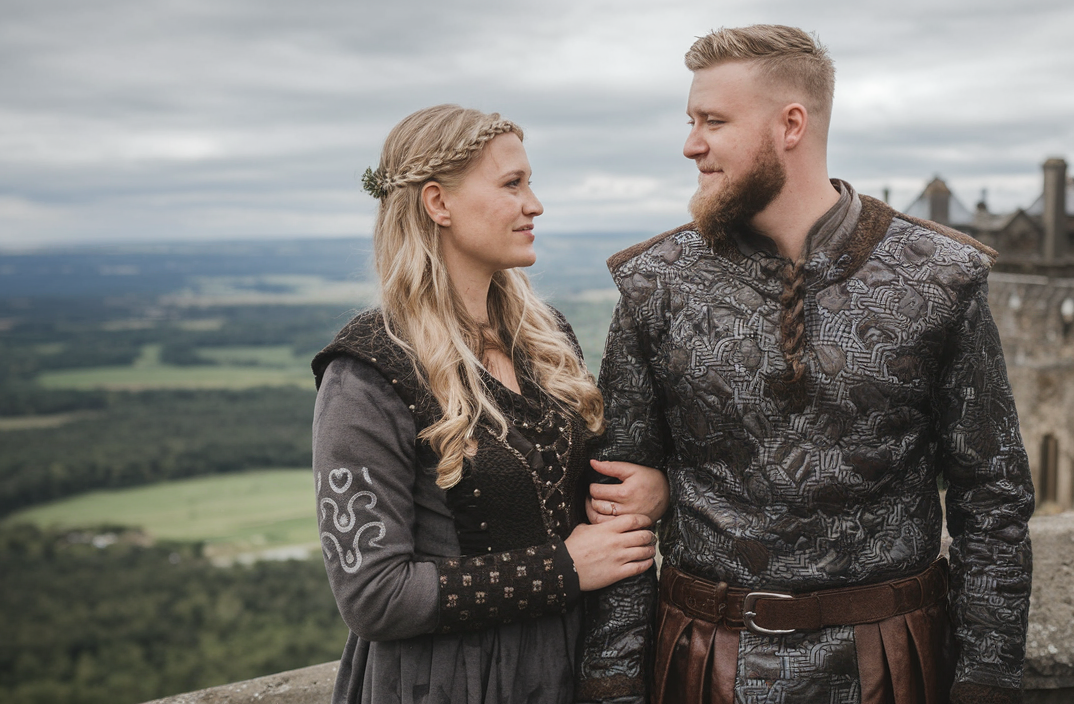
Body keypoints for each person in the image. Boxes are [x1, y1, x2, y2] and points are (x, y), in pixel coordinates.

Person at [578, 26, 1034, 704]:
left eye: (713, 121)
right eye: (691, 121)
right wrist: (612, 683)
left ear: (791, 124)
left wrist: (987, 679)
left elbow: (992, 494)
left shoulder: (940, 276)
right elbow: (618, 508)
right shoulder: (656, 283)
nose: (691, 144)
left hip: (892, 662)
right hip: (705, 664)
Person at [310, 104, 665, 704]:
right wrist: (561, 570)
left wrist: (651, 489)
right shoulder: (367, 374)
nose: (536, 204)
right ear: (437, 204)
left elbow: (576, 489)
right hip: (446, 679)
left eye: (530, 182)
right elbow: (374, 596)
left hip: (570, 664)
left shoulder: (543, 338)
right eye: (512, 184)